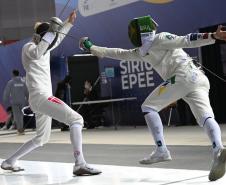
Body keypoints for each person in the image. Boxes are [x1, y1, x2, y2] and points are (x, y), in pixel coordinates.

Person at [79, 15, 226, 181]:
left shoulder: (161, 38)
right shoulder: (143, 51)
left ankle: (161, 150)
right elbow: (119, 53)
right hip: (198, 79)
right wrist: (91, 47)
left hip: (183, 76)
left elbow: (186, 40)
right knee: (206, 117)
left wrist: (213, 36)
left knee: (148, 107)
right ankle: (218, 149)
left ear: (139, 32)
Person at [1, 11, 101, 176]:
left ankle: (9, 161)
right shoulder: (29, 48)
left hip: (40, 99)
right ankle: (79, 163)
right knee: (76, 119)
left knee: (41, 138)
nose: (52, 40)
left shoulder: (44, 48)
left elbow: (56, 40)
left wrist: (69, 23)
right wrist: (50, 33)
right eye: (49, 35)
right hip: (41, 97)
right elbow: (37, 52)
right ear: (43, 36)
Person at [3, 70, 29, 134]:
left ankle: (20, 129)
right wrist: (28, 100)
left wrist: (5, 99)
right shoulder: (23, 82)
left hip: (15, 101)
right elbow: (27, 92)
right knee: (21, 115)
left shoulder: (11, 82)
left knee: (17, 116)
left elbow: (7, 92)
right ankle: (21, 129)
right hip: (22, 101)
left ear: (13, 74)